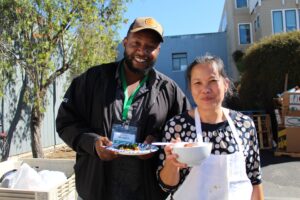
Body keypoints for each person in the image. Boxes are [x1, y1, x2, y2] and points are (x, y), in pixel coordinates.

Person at [56, 17, 191, 200]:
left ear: (158, 50)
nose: (142, 51)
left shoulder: (169, 90)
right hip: (96, 191)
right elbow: (66, 121)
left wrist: (158, 143)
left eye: (150, 46)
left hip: (147, 192)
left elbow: (183, 133)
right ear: (125, 42)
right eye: (136, 43)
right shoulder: (93, 79)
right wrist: (92, 143)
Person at [157, 55, 264, 200]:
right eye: (197, 83)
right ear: (190, 88)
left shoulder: (244, 124)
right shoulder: (177, 126)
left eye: (212, 81)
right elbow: (166, 185)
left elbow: (255, 179)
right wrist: (172, 163)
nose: (205, 89)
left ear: (225, 84)